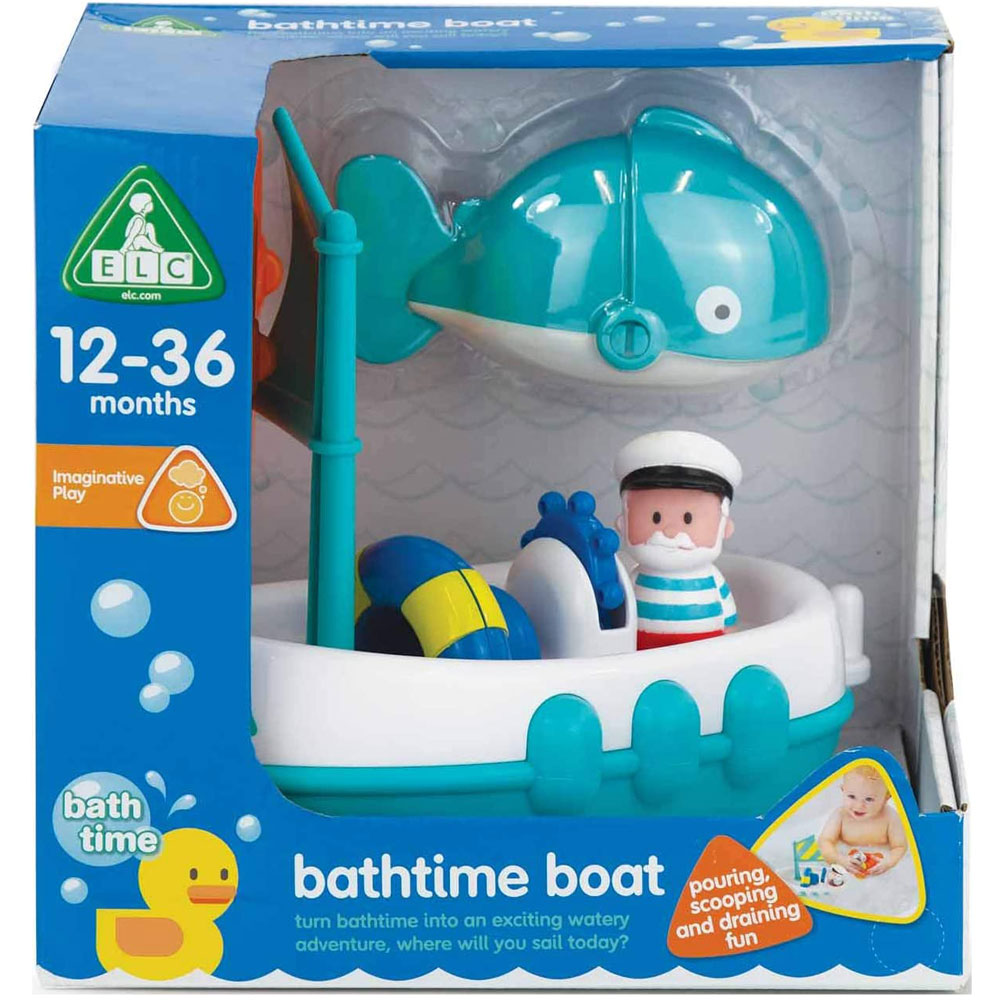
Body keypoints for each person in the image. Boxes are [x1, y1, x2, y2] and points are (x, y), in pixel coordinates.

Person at [613, 430, 741, 650]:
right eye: (656, 518)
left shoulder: (713, 579)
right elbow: (622, 618)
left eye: (688, 519)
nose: (670, 531)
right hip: (643, 654)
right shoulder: (634, 578)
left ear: (725, 527)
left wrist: (729, 638)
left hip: (705, 650)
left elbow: (729, 621)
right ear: (622, 523)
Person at [817, 764, 907, 876]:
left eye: (869, 799)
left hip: (880, 868)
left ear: (886, 798)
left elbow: (900, 846)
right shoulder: (840, 815)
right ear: (843, 790)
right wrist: (839, 859)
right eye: (851, 796)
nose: (859, 805)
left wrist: (889, 862)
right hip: (846, 867)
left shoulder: (890, 817)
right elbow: (825, 841)